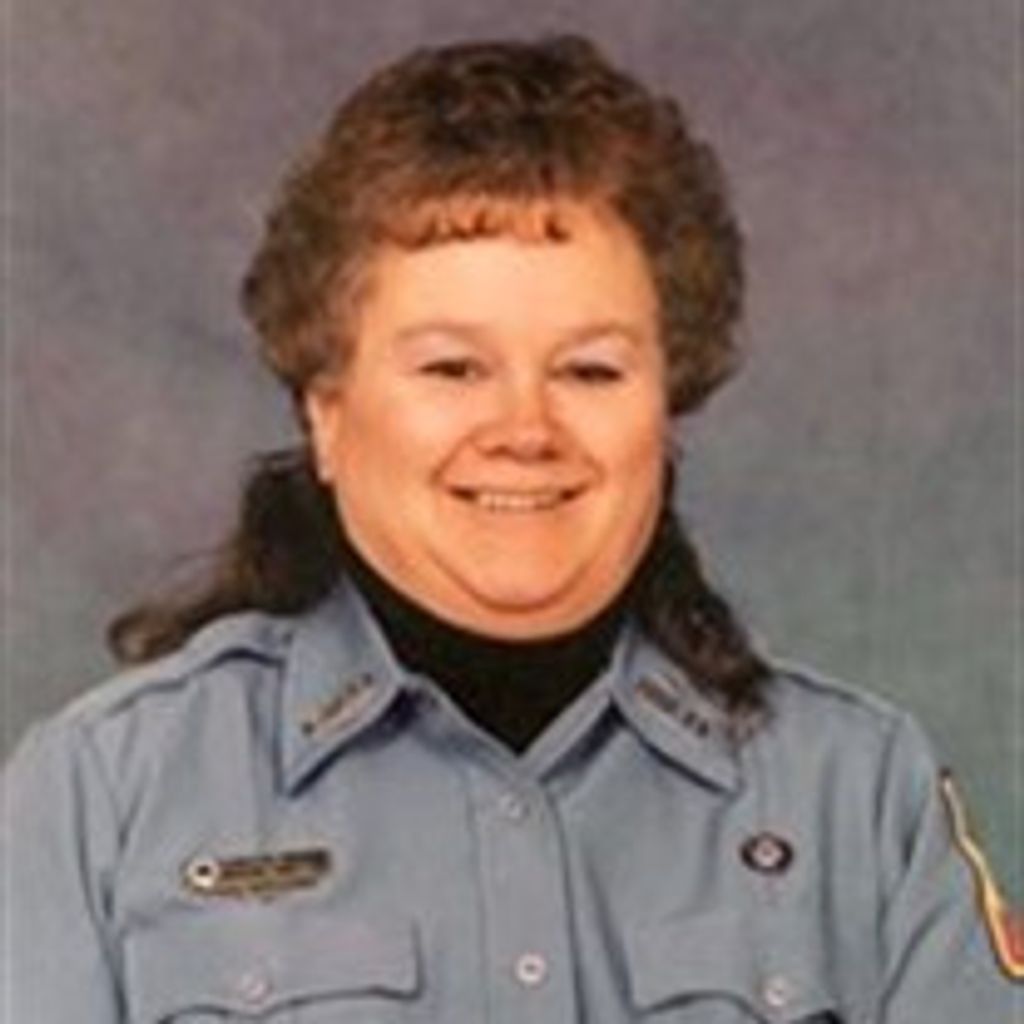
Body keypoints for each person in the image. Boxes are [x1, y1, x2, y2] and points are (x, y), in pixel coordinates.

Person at [2, 34, 1015, 1023]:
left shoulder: (856, 795)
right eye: (453, 368)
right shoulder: (103, 797)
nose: (525, 429)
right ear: (327, 412)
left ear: (667, 405)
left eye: (590, 370)